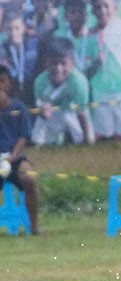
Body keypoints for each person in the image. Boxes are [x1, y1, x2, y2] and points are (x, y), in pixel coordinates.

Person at [86, 0, 121, 140]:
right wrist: (96, 63)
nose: (102, 11)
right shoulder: (89, 34)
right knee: (104, 131)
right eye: (98, 7)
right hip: (100, 91)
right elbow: (86, 67)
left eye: (106, 6)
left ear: (115, 8)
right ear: (92, 10)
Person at [0, 65, 40, 234]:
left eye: (2, 81)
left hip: (14, 159)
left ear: (8, 84)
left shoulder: (19, 108)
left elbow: (23, 136)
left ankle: (34, 227)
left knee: (29, 179)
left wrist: (12, 157)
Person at [31, 36, 93, 144]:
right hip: (52, 113)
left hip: (73, 112)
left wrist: (87, 138)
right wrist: (43, 112)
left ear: (72, 64)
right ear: (46, 63)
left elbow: (82, 113)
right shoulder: (40, 82)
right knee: (37, 139)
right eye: (53, 63)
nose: (58, 68)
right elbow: (40, 107)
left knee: (87, 139)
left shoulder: (79, 82)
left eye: (63, 63)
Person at [0, 9, 39, 104]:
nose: (13, 33)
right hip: (11, 93)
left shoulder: (34, 44)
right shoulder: (2, 49)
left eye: (17, 28)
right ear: (4, 29)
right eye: (9, 29)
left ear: (24, 27)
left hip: (32, 90)